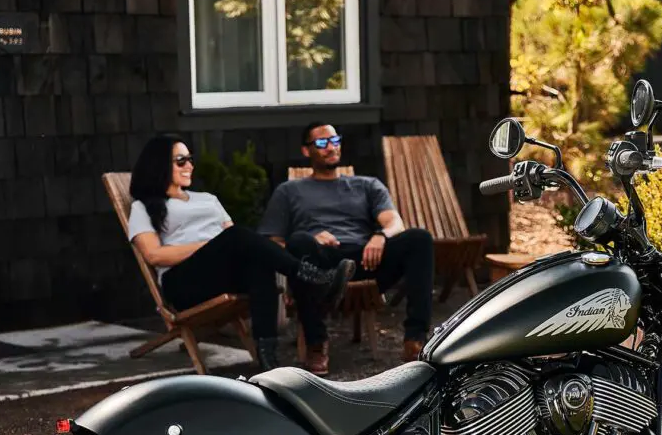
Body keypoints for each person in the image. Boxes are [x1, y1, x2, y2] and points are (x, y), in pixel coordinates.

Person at [127, 136, 354, 371]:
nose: (189, 166)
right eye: (181, 161)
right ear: (160, 164)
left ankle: (268, 361)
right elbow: (154, 255)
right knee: (237, 236)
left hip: (220, 274)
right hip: (184, 283)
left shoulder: (207, 199)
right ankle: (310, 277)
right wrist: (210, 245)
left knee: (258, 264)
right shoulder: (143, 207)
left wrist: (220, 244)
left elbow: (239, 245)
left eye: (190, 160)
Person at [259, 123, 435, 375]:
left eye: (335, 140)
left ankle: (415, 341)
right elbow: (271, 243)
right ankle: (316, 343)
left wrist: (380, 236)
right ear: (306, 151)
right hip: (320, 265)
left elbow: (394, 222)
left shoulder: (366, 185)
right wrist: (312, 238)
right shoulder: (289, 191)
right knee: (299, 242)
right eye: (321, 143)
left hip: (365, 260)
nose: (331, 147)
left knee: (419, 239)